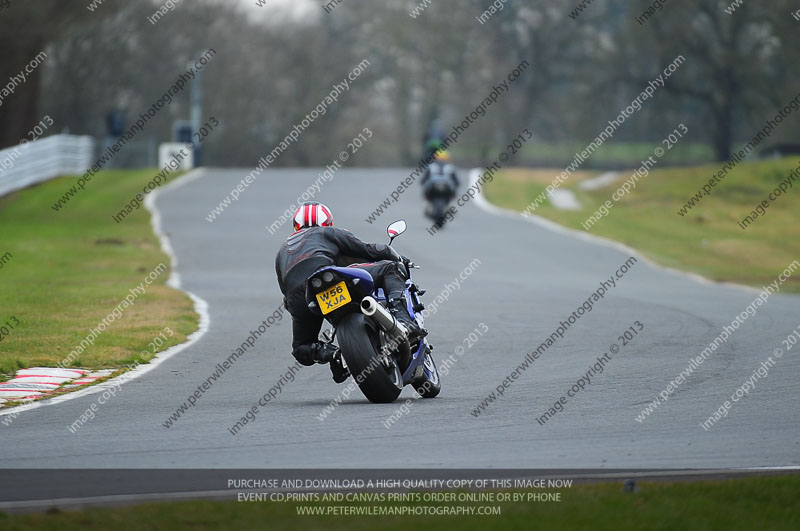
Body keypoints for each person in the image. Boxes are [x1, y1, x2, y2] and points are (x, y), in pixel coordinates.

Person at [275, 202, 424, 383]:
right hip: (330, 276)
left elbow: (285, 291)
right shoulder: (328, 232)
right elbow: (370, 250)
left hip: (300, 296)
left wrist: (296, 308)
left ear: (295, 225)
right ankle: (404, 321)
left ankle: (333, 355)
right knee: (391, 268)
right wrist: (395, 257)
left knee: (301, 348)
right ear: (328, 222)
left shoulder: (282, 251)